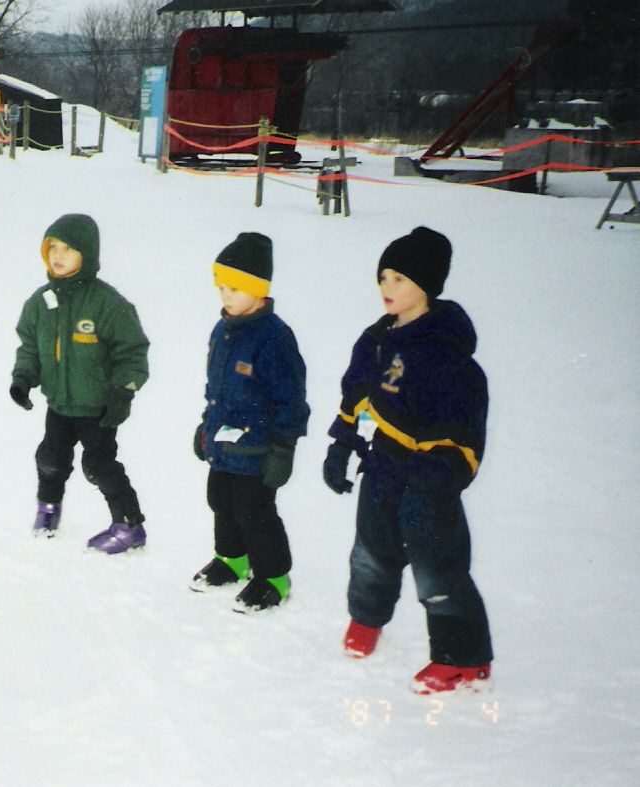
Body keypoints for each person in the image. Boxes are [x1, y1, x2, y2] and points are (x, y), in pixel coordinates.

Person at [322, 226, 493, 694]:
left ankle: (464, 658)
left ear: (427, 285)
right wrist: (341, 444)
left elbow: (461, 432)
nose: (386, 287)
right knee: (370, 553)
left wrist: (431, 485)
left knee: (437, 569)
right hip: (381, 468)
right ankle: (367, 619)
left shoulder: (445, 356)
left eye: (399, 278)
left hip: (427, 482)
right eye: (383, 277)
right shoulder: (376, 340)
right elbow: (355, 395)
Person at [10, 214, 150, 553]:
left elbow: (132, 352)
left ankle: (129, 525)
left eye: (68, 249)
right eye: (52, 248)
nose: (58, 255)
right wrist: (23, 378)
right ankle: (48, 508)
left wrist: (123, 392)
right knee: (50, 460)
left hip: (98, 408)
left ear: (86, 254)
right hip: (59, 404)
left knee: (99, 466)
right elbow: (30, 347)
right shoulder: (40, 303)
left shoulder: (108, 304)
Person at [190, 233, 309, 612]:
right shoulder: (223, 329)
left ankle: (273, 577)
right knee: (220, 499)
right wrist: (206, 425)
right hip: (224, 443)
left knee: (253, 511)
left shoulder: (274, 339)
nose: (226, 296)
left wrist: (284, 447)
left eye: (235, 288)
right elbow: (216, 387)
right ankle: (232, 559)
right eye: (222, 288)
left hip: (258, 448)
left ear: (259, 290)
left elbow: (291, 398)